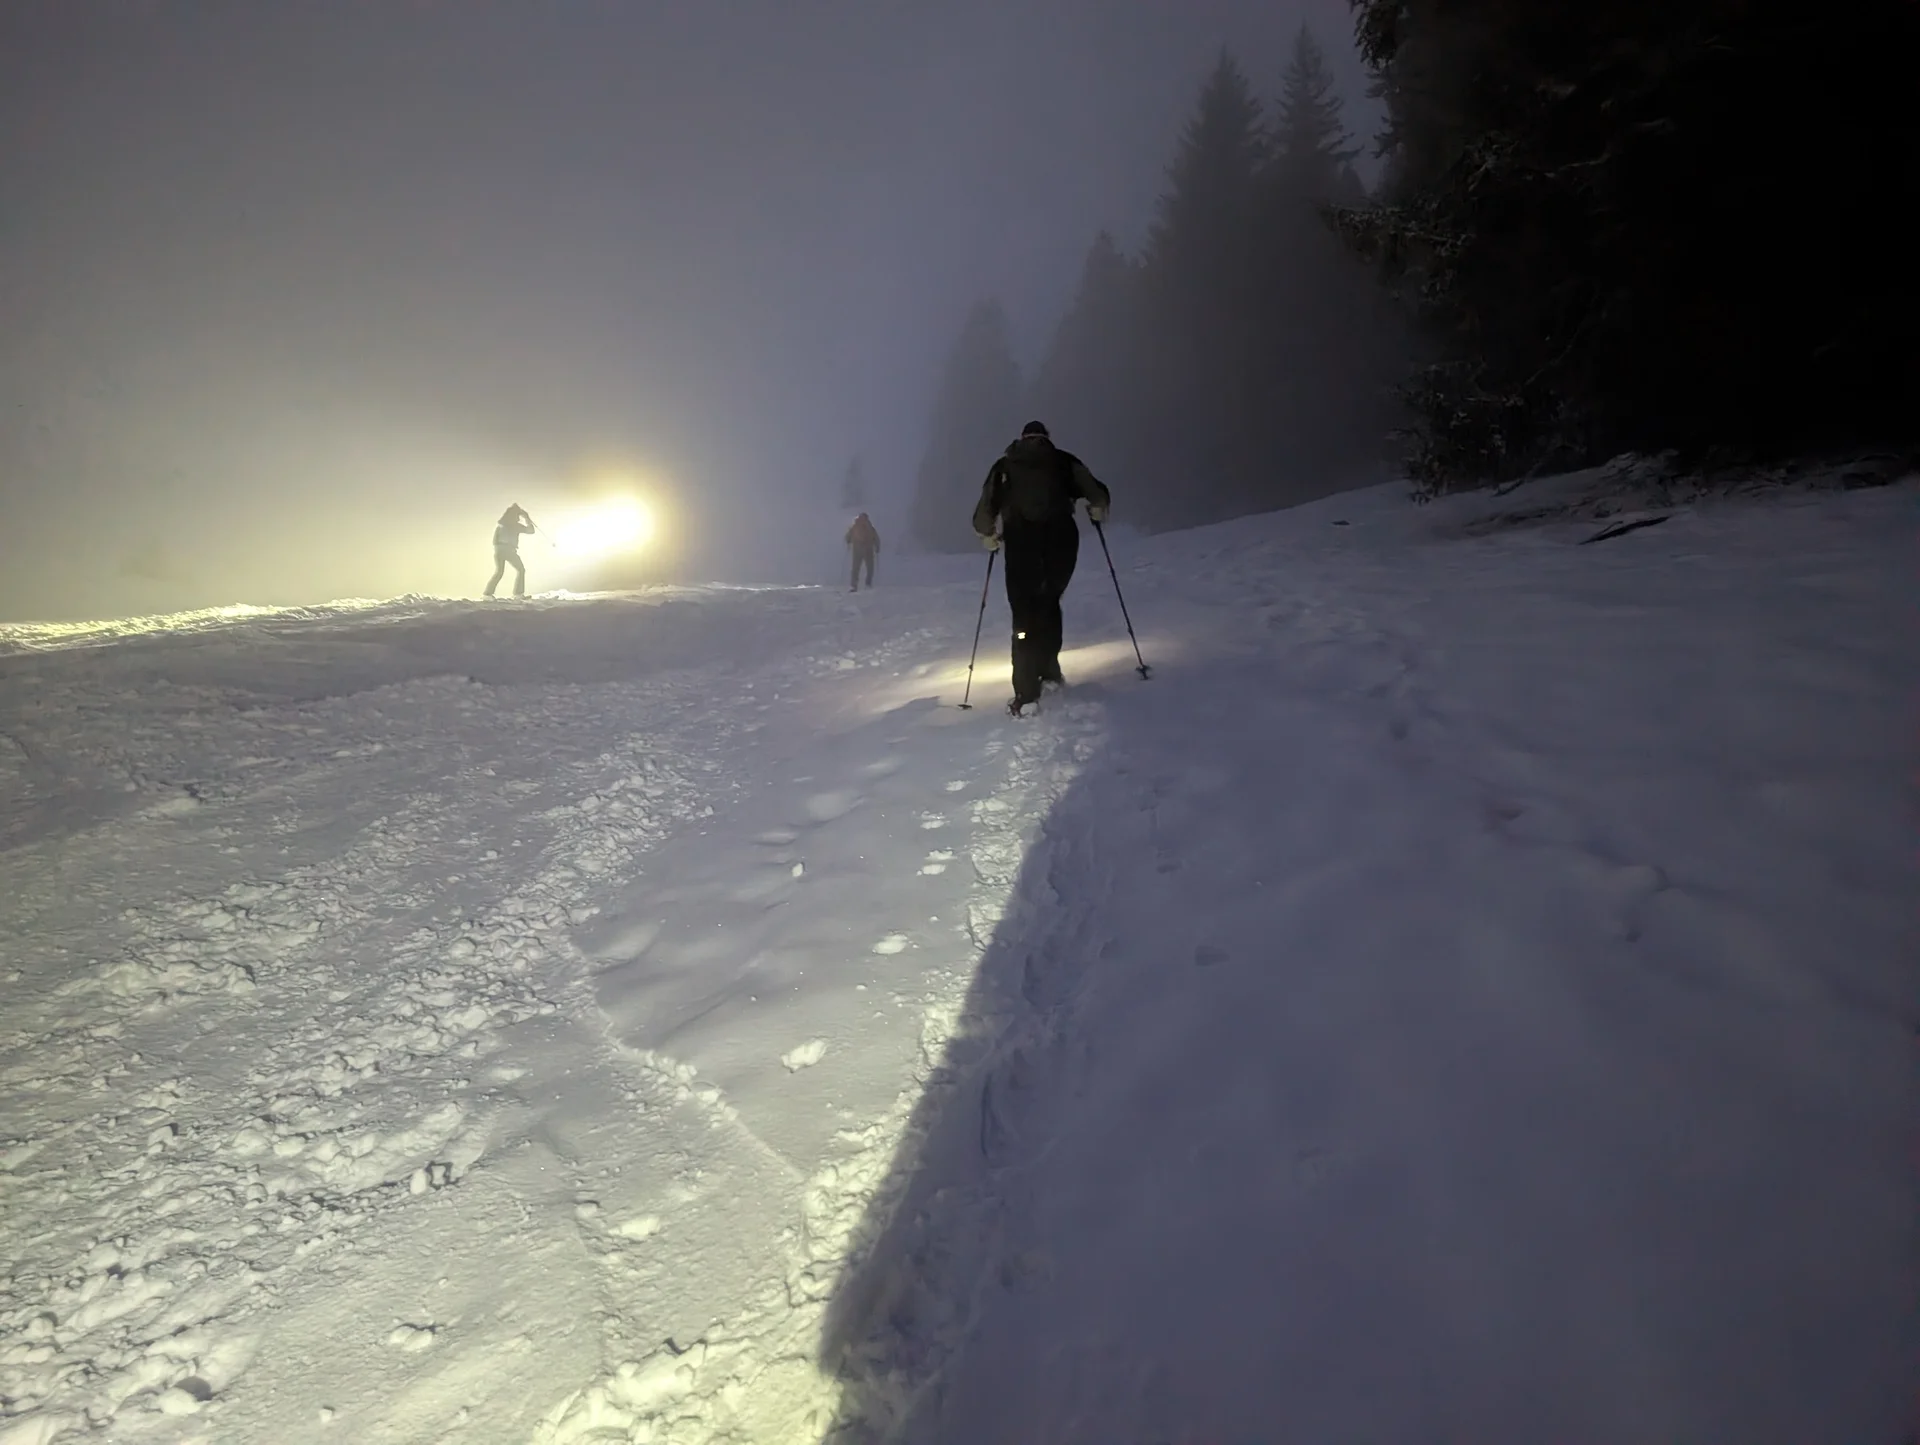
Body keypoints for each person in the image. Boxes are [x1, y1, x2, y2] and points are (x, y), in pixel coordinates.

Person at [972, 420, 1111, 716]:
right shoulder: (1063, 461)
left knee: (1024, 613)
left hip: (1021, 547)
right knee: (1049, 602)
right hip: (1061, 545)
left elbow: (985, 510)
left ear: (1022, 438)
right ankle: (1049, 671)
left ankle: (1026, 692)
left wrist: (988, 534)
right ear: (1046, 437)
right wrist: (1097, 508)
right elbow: (1096, 492)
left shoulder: (1004, 466)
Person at [484, 504, 536, 599]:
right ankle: (518, 594)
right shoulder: (515, 525)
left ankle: (487, 594)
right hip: (509, 550)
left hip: (499, 550)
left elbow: (494, 540)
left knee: (499, 572)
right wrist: (527, 518)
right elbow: (531, 531)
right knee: (521, 570)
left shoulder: (500, 526)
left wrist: (498, 549)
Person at [846, 511, 880, 591]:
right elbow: (876, 537)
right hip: (868, 549)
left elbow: (848, 536)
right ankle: (868, 584)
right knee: (870, 568)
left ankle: (854, 585)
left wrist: (848, 541)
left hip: (857, 549)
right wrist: (877, 547)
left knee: (856, 568)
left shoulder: (855, 526)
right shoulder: (870, 527)